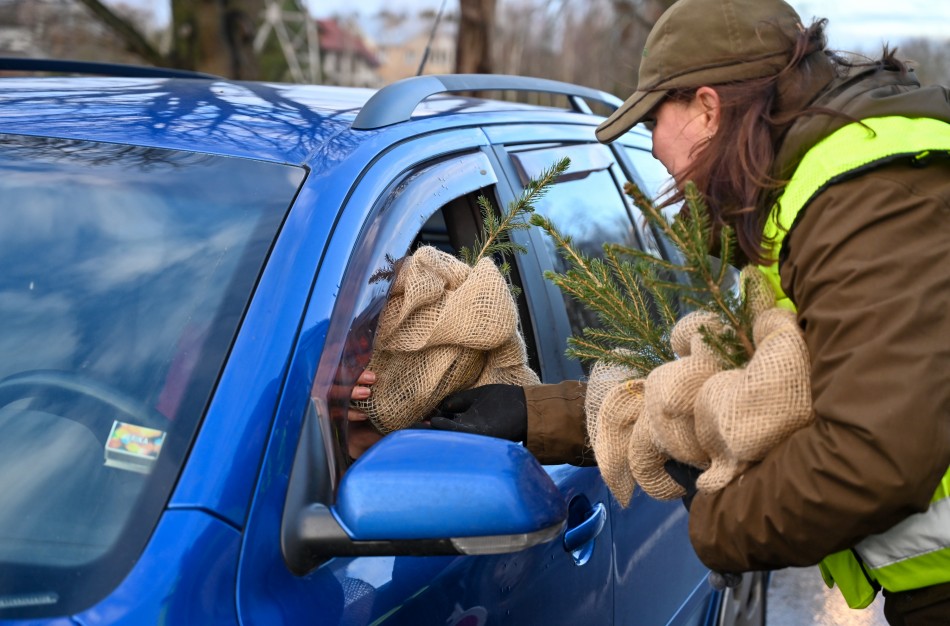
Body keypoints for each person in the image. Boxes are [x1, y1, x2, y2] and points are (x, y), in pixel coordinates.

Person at [425, 0, 950, 623]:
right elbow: (746, 386)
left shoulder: (870, 199)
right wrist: (532, 412)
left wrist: (717, 523)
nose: (653, 150)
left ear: (707, 107)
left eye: (652, 119)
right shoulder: (810, 194)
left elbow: (874, 453)